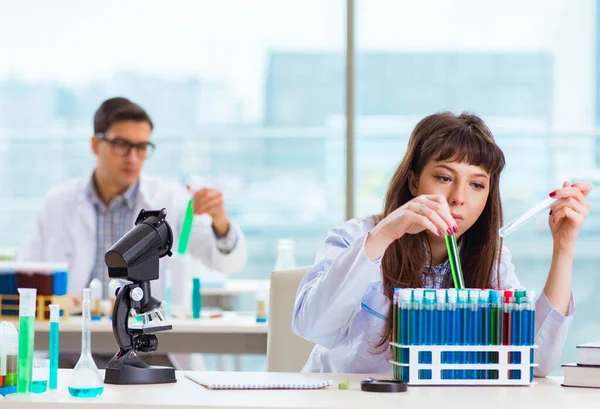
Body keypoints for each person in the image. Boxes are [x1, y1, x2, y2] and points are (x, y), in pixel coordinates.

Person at [292, 111, 591, 377]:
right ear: (413, 182)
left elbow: (533, 361)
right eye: (445, 178)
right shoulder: (359, 237)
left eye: (476, 184)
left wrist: (563, 248)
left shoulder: (490, 259)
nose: (459, 197)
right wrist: (385, 234)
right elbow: (312, 326)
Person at [18, 97, 247, 302]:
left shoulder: (172, 200)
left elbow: (228, 264)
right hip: (76, 335)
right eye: (121, 145)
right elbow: (27, 275)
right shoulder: (58, 203)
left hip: (150, 340)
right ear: (95, 145)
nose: (133, 158)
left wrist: (221, 224)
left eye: (141, 147)